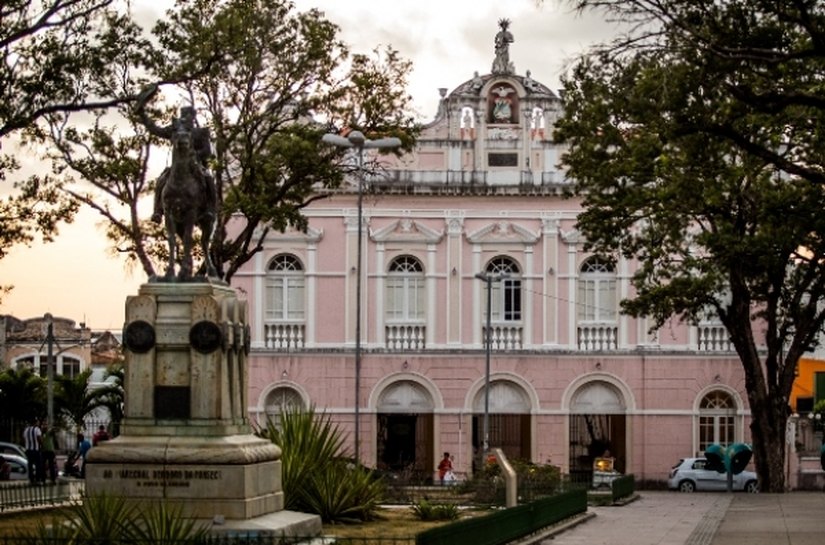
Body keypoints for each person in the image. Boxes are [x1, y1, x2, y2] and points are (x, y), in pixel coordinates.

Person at [134, 84, 217, 224]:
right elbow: (155, 129)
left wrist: (195, 156)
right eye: (184, 116)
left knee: (208, 179)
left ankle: (210, 209)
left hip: (196, 165)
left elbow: (207, 152)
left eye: (189, 116)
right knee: (161, 180)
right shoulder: (175, 132)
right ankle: (158, 211)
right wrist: (142, 115)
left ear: (193, 117)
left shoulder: (200, 133)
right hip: (177, 166)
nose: (186, 119)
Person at [22, 418, 42, 484]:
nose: (38, 423)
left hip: (28, 450)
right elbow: (39, 438)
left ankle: (31, 479)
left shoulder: (26, 430)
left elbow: (24, 439)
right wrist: (41, 444)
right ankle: (38, 479)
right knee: (38, 465)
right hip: (35, 450)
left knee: (30, 465)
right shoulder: (37, 429)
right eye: (38, 422)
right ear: (35, 423)